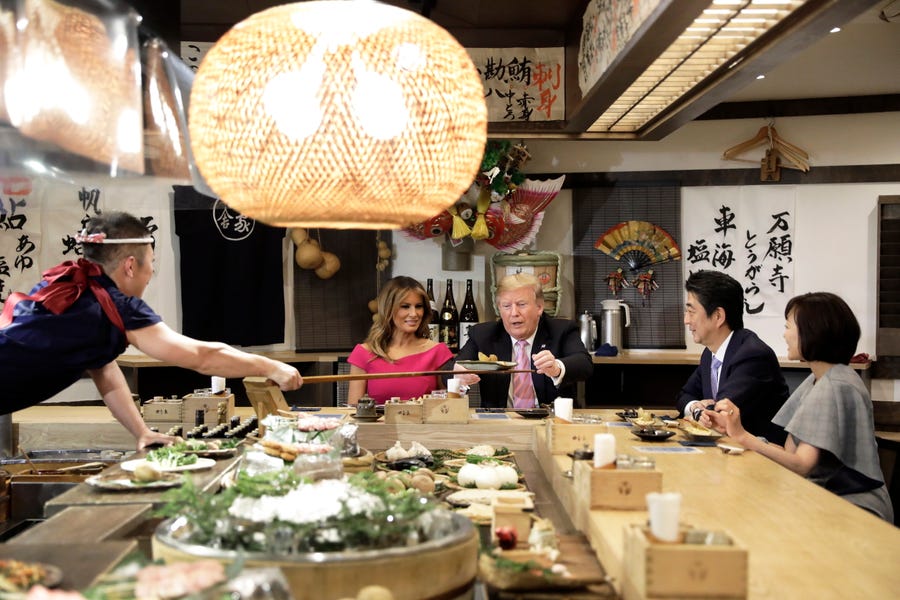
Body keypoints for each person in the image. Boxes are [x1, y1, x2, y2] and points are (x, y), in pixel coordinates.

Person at [0, 212, 303, 450]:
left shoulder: (73, 289)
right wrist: (270, 366)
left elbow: (106, 372)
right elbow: (201, 357)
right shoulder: (115, 305)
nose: (150, 277)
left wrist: (142, 432)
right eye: (151, 265)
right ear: (131, 266)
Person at [705, 292, 892, 522]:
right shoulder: (819, 379)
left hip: (855, 508)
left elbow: (802, 465)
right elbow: (789, 454)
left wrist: (743, 437)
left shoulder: (835, 384)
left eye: (788, 326)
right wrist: (735, 431)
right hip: (826, 497)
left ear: (812, 331)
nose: (784, 335)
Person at [676, 270, 788, 444]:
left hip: (762, 458)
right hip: (727, 449)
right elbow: (684, 395)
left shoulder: (753, 355)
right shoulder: (710, 353)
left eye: (691, 312)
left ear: (718, 316)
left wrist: (699, 412)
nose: (686, 320)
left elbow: (719, 414)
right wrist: (695, 407)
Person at [454, 272, 592, 409]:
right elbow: (450, 369)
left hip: (551, 420)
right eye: (507, 306)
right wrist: (458, 375)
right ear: (499, 309)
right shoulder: (483, 334)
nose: (514, 313)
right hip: (499, 422)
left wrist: (556, 368)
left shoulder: (561, 330)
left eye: (521, 304)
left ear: (539, 307)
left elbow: (584, 364)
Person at [347, 276, 453, 405]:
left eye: (418, 306)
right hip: (379, 425)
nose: (414, 314)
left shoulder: (438, 352)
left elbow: (448, 406)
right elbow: (353, 410)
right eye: (405, 306)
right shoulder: (363, 353)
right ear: (388, 309)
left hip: (424, 425)